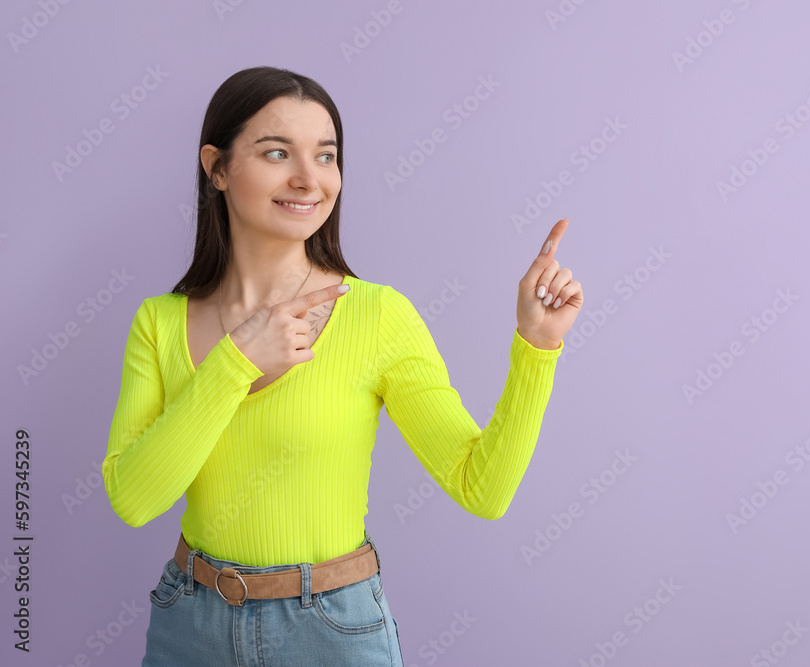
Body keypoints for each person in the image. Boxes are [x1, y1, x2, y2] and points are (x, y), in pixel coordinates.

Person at [102, 66, 583, 667]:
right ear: (217, 167)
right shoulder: (159, 322)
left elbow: (480, 488)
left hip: (329, 629)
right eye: (277, 152)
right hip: (189, 625)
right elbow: (134, 499)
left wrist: (535, 349)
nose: (309, 179)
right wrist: (236, 364)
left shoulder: (379, 316)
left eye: (326, 156)